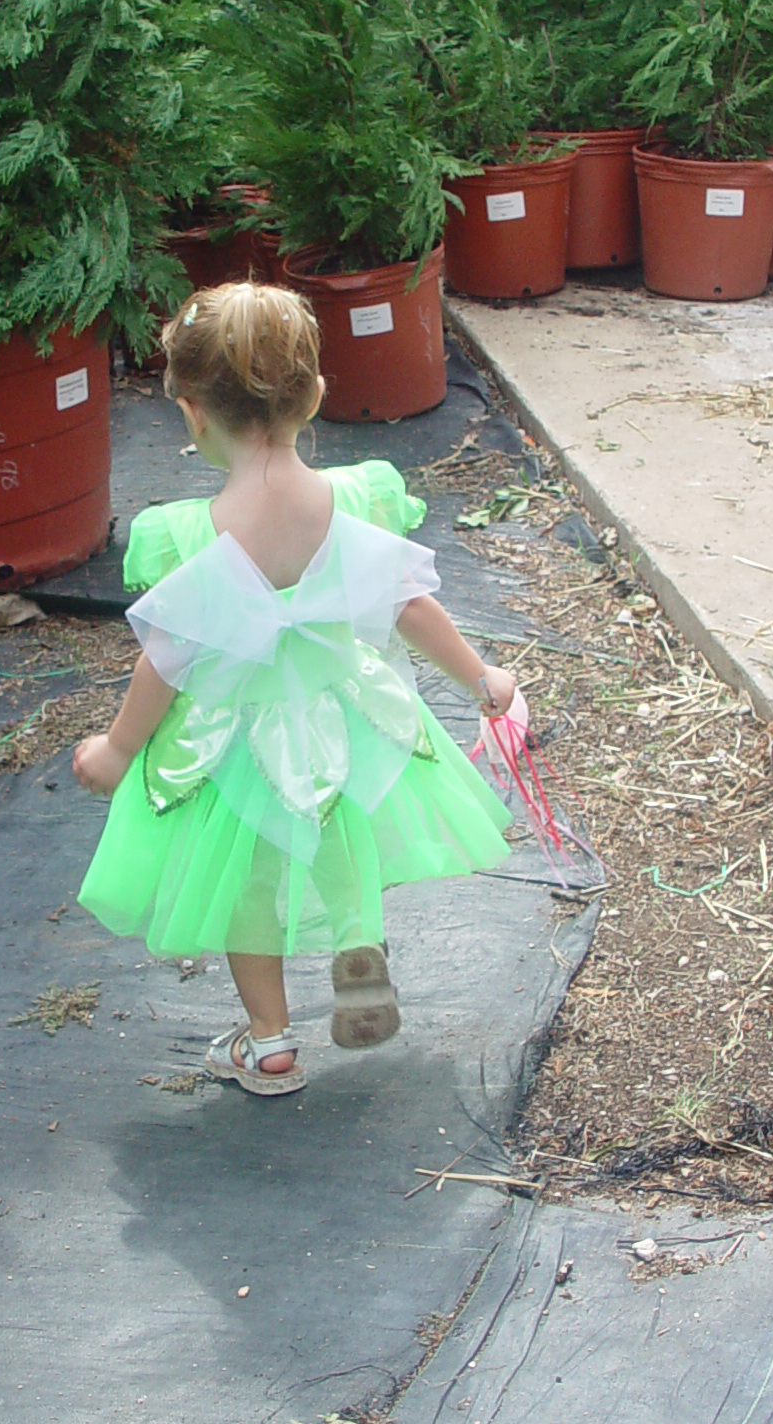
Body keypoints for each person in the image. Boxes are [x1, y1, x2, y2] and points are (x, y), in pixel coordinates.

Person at [73, 279, 518, 1096]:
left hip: (239, 740)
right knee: (342, 835)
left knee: (249, 880)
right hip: (342, 719)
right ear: (313, 395)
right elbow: (410, 606)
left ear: (193, 414)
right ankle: (359, 945)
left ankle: (271, 1045)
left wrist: (117, 747)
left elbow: (163, 663)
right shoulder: (354, 501)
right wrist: (481, 676)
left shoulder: (184, 537)